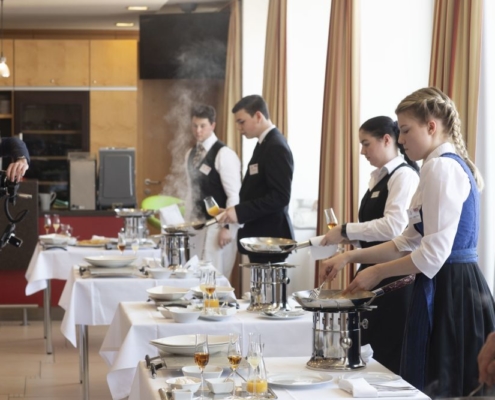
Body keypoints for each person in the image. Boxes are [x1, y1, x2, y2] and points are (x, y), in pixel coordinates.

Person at [321, 87, 495, 397]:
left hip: (452, 289)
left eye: (405, 130)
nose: (400, 139)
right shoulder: (436, 165)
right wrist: (350, 258)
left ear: (431, 126)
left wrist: (376, 272)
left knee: (444, 385)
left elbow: (432, 255)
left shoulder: (440, 167)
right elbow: (406, 242)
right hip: (448, 283)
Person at [319, 116, 420, 375]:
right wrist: (347, 238)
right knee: (364, 343)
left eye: (366, 144)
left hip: (394, 275)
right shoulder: (377, 178)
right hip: (371, 268)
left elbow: (393, 227)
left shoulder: (404, 176)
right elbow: (375, 229)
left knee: (386, 351)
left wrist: (346, 230)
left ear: (386, 140)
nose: (362, 152)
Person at [217, 95, 294, 263]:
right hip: (261, 237)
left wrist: (240, 212)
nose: (239, 128)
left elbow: (280, 197)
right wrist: (234, 210)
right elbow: (258, 190)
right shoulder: (264, 143)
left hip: (271, 238)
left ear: (258, 116)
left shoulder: (275, 146)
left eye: (241, 122)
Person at [184, 104, 241, 279]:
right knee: (194, 278)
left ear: (213, 125)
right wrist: (186, 224)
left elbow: (234, 195)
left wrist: (228, 228)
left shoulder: (224, 154)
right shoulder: (190, 154)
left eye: (202, 126)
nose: (198, 131)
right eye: (195, 126)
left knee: (216, 279)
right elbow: (191, 192)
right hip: (197, 226)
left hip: (218, 227)